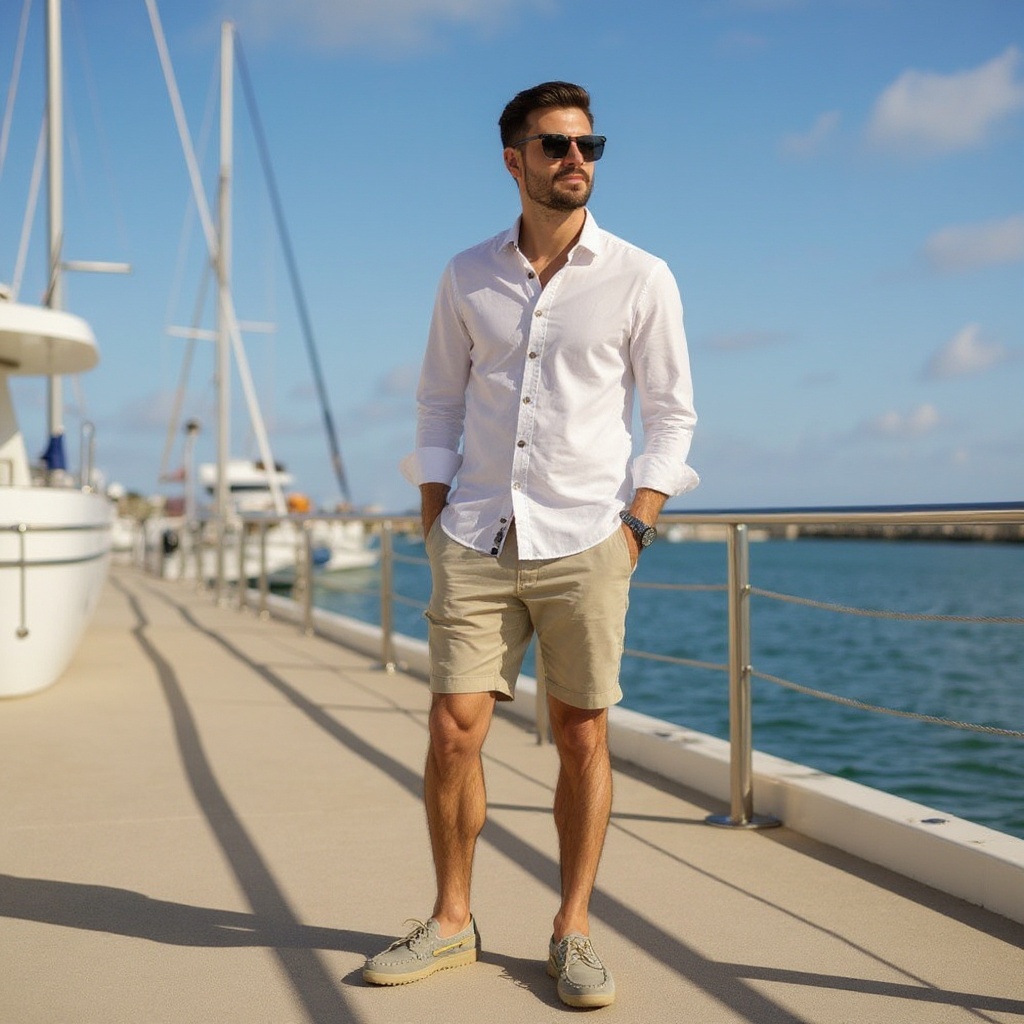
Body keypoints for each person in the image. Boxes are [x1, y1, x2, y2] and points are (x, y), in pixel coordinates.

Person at [362, 81, 698, 1009]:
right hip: (474, 531)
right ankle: (451, 922)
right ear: (514, 160)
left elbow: (671, 415)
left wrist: (638, 523)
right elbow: (437, 397)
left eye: (590, 143)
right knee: (450, 732)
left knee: (581, 734)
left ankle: (573, 931)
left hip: (589, 535)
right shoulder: (466, 275)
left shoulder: (642, 276)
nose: (576, 160)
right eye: (556, 146)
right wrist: (433, 512)